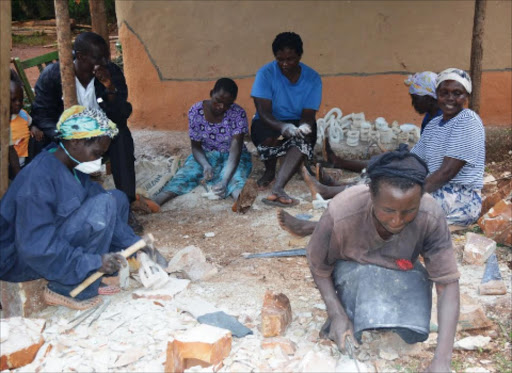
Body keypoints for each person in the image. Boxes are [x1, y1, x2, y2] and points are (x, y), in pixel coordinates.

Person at [306, 146, 460, 373]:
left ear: (421, 197)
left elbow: (447, 285)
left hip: (403, 272)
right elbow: (318, 266)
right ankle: (350, 314)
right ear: (371, 194)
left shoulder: (430, 214)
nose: (397, 220)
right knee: (360, 279)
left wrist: (442, 361)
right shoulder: (342, 212)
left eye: (409, 210)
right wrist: (336, 314)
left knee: (412, 329)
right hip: (353, 271)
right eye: (388, 210)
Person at [0, 106, 140, 310]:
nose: (97, 160)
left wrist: (137, 247)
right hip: (21, 259)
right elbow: (35, 246)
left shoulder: (70, 168)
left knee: (116, 198)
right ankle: (67, 287)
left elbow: (105, 203)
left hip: (43, 243)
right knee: (104, 205)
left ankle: (101, 269)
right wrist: (92, 263)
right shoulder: (38, 179)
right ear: (75, 142)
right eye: (96, 153)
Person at [303, 68, 484, 226]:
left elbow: (446, 173)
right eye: (444, 93)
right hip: (434, 185)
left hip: (459, 197)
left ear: (466, 97)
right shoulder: (435, 123)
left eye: (457, 93)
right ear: (437, 95)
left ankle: (323, 221)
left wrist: (409, 192)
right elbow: (414, 161)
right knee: (385, 179)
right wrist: (389, 170)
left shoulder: (467, 121)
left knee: (390, 202)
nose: (450, 98)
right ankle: (331, 194)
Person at [29, 32, 141, 232]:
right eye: (98, 58)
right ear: (80, 57)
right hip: (66, 140)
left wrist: (110, 88)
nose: (104, 62)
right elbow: (41, 114)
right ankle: (45, 207)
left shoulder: (110, 73)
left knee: (121, 136)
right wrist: (62, 134)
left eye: (106, 56)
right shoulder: (55, 75)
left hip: (99, 142)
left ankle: (126, 204)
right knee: (37, 140)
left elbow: (121, 115)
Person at [153, 78, 255, 212]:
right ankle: (156, 201)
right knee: (186, 174)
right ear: (211, 93)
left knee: (235, 177)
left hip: (233, 156)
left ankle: (241, 201)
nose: (222, 107)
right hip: (206, 153)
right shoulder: (196, 111)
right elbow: (195, 146)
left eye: (227, 104)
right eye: (218, 101)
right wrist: (205, 164)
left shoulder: (238, 113)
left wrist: (224, 181)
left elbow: (235, 152)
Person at [250, 31, 322, 207]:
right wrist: (283, 127)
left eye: (290, 59)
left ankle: (278, 187)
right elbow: (263, 111)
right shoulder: (265, 74)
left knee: (302, 139)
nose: (284, 64)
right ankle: (269, 171)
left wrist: (302, 128)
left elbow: (308, 115)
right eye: (280, 59)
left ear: (300, 56)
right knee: (267, 137)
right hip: (269, 120)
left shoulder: (312, 78)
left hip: (299, 120)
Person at [8, 69, 43, 178]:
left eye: (21, 100)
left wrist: (33, 128)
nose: (18, 104)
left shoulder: (22, 115)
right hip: (9, 166)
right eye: (13, 100)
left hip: (25, 159)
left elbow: (30, 123)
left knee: (39, 140)